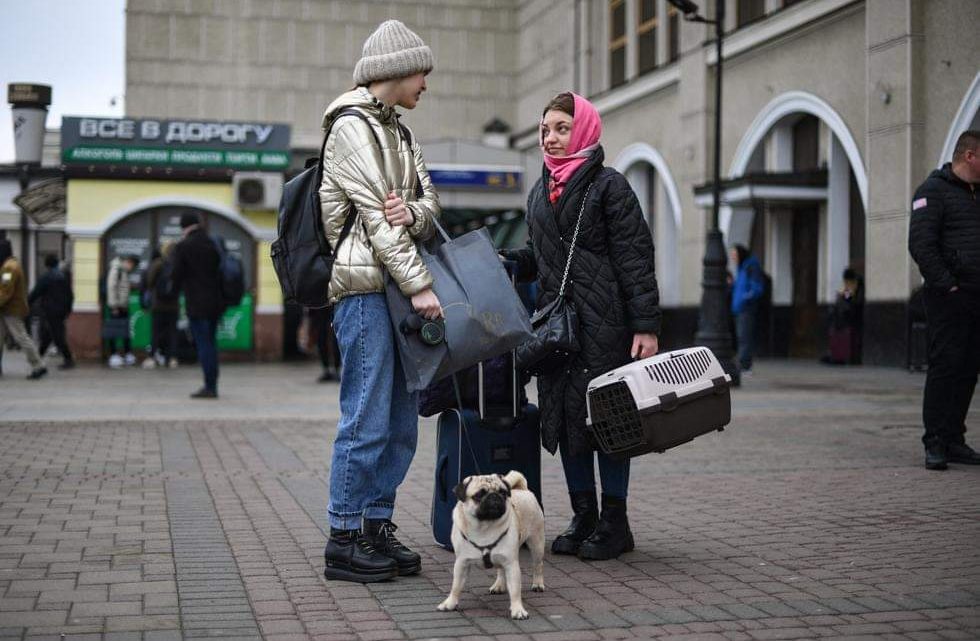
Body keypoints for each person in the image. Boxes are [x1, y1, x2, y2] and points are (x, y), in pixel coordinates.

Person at [502, 92, 661, 561]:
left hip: (605, 325)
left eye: (561, 129)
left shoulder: (610, 186)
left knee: (609, 420)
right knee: (568, 421)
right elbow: (544, 259)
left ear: (586, 130)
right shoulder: (539, 191)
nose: (550, 138)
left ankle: (616, 522)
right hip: (558, 330)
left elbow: (635, 258)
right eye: (545, 129)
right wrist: (512, 261)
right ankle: (584, 515)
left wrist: (645, 325)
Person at [320, 19, 442, 583]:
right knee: (366, 415)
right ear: (395, 70)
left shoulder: (402, 131)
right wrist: (421, 286)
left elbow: (428, 205)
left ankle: (375, 525)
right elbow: (376, 216)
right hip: (366, 290)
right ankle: (343, 537)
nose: (426, 83)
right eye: (422, 71)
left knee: (399, 421)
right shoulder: (350, 127)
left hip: (393, 286)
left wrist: (413, 212)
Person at [908, 129, 980, 471]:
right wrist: (948, 285)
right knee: (945, 367)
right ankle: (934, 441)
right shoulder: (931, 191)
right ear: (970, 155)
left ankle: (954, 439)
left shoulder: (975, 194)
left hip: (976, 296)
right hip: (948, 297)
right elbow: (921, 245)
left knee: (968, 369)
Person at [171, 212, 223, 399]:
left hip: (197, 303)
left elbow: (176, 275)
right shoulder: (212, 243)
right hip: (215, 303)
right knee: (211, 343)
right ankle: (212, 382)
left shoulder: (184, 246)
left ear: (184, 227)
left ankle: (210, 387)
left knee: (203, 345)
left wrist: (173, 294)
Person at [0, 239, 47, 380]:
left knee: (21, 337)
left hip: (10, 310)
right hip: (6, 309)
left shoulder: (9, 268)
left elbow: (5, 291)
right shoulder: (12, 264)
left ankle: (38, 365)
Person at [29, 254, 75, 370]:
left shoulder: (46, 277)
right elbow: (70, 295)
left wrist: (26, 304)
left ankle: (68, 359)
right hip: (62, 310)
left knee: (57, 335)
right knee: (48, 334)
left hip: (50, 310)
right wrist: (68, 309)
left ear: (46, 265)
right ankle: (38, 357)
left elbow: (36, 292)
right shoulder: (63, 277)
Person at [143, 241, 180, 369]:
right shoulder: (177, 265)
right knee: (172, 333)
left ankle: (152, 358)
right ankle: (172, 359)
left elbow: (149, 281)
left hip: (158, 304)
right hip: (174, 305)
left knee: (156, 332)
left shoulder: (158, 263)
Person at [730, 244, 766, 375]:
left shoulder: (750, 267)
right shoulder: (742, 268)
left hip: (745, 308)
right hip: (739, 308)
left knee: (744, 337)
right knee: (741, 337)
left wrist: (745, 298)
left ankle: (745, 365)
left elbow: (756, 288)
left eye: (734, 254)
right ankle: (743, 363)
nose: (732, 257)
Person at [821, 267, 863, 365]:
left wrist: (848, 294)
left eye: (847, 281)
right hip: (844, 316)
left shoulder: (858, 284)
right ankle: (836, 355)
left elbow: (855, 300)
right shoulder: (851, 285)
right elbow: (847, 298)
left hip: (852, 316)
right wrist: (844, 294)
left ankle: (844, 356)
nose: (846, 283)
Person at [105, 254, 138, 368]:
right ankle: (114, 355)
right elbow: (111, 288)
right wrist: (114, 306)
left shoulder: (123, 271)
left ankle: (127, 354)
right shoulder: (116, 270)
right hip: (116, 307)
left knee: (125, 331)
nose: (132, 269)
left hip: (123, 306)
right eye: (132, 266)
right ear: (128, 262)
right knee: (114, 331)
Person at [309, 307, 341, 382]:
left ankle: (328, 369)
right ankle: (334, 369)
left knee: (324, 334)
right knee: (329, 334)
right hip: (331, 302)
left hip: (320, 303)